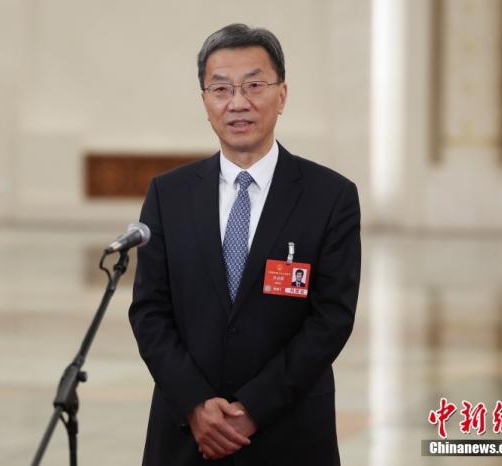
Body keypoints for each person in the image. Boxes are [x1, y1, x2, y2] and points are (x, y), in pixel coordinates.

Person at [129, 23, 360, 466]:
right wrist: (196, 405)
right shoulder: (168, 195)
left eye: (254, 85)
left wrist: (253, 409)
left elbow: (331, 318)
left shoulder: (330, 197)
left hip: (289, 433)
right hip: (186, 436)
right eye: (221, 89)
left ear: (282, 95)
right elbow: (149, 311)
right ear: (205, 102)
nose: (237, 103)